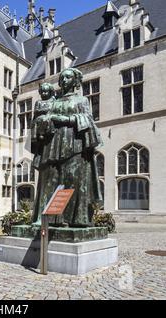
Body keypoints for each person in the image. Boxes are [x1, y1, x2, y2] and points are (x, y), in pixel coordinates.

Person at [31, 68, 103, 228]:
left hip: (74, 143)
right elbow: (39, 119)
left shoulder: (81, 100)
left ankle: (74, 219)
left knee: (73, 181)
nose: (63, 80)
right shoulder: (53, 101)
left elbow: (88, 120)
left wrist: (64, 119)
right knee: (49, 181)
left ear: (75, 81)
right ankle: (46, 218)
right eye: (62, 78)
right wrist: (43, 121)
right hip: (52, 145)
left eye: (67, 77)